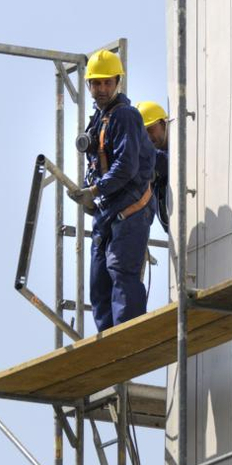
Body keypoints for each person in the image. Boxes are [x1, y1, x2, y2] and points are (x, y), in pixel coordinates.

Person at [70, 50, 156, 332]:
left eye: (107, 83)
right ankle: (108, 343)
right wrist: (87, 191)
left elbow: (127, 166)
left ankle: (127, 337)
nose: (102, 89)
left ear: (117, 82)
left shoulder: (127, 117)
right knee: (99, 282)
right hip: (107, 212)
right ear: (89, 86)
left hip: (130, 209)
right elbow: (97, 163)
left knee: (120, 271)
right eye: (97, 84)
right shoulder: (98, 121)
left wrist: (94, 190)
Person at [135, 101, 169, 234]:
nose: (148, 138)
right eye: (143, 135)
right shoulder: (149, 161)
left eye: (150, 130)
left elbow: (169, 162)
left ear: (163, 123)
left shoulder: (183, 144)